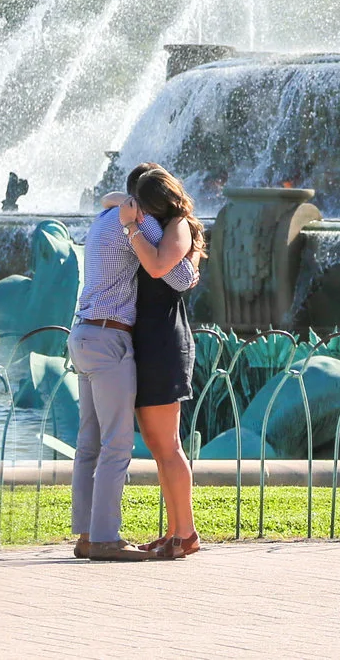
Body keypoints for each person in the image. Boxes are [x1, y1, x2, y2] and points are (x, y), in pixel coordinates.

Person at [67, 164, 195, 562]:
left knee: (88, 443)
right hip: (110, 338)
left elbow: (111, 200)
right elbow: (180, 276)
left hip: (82, 333)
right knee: (117, 443)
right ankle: (106, 538)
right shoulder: (138, 221)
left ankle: (87, 535)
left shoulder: (106, 216)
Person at [124, 164, 205, 560]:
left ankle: (186, 533)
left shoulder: (177, 226)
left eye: (140, 201)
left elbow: (158, 267)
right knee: (158, 446)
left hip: (163, 342)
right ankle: (174, 531)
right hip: (147, 340)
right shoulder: (156, 226)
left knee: (168, 445)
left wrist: (131, 227)